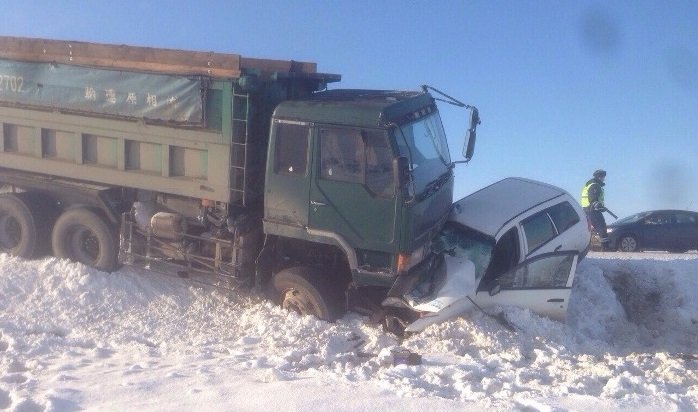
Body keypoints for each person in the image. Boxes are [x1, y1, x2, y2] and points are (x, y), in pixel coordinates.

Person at [581, 169, 610, 250]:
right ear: (599, 177)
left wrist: (601, 208)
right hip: (592, 211)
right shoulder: (595, 185)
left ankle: (590, 246)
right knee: (601, 227)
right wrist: (599, 206)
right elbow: (593, 200)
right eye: (603, 177)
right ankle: (605, 247)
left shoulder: (590, 185)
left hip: (588, 210)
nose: (604, 179)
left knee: (591, 229)